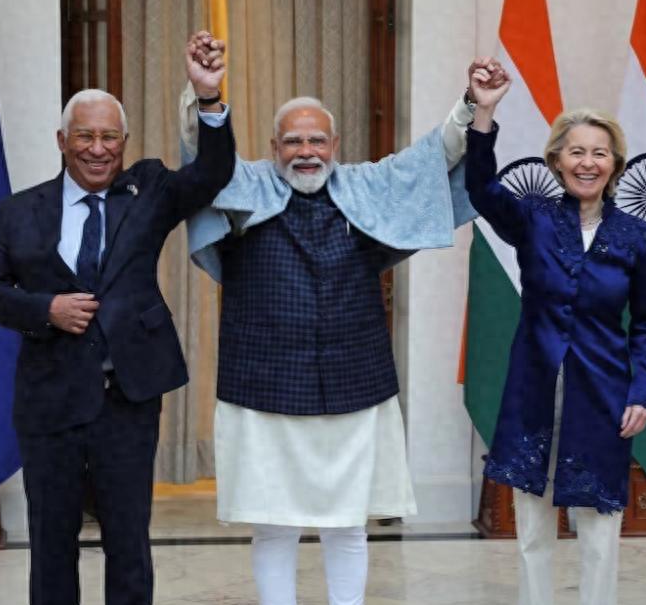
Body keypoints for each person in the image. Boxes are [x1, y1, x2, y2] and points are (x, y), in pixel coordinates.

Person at [181, 60, 505, 605]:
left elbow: (433, 158)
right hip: (261, 386)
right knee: (273, 524)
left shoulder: (366, 185)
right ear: (274, 146)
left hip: (354, 383)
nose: (306, 151)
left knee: (348, 524)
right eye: (293, 141)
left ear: (335, 144)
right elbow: (202, 158)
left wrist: (474, 104)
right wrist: (208, 97)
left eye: (317, 140)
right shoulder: (244, 183)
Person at [0, 32, 235, 605]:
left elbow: (212, 174)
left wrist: (209, 97)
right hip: (49, 402)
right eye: (85, 136)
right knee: (51, 544)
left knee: (128, 543)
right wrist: (46, 309)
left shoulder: (149, 190)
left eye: (109, 136)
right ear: (62, 141)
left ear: (124, 142)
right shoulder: (19, 211)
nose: (97, 149)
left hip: (126, 401)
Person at [465, 64, 646, 605]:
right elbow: (481, 188)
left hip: (604, 394)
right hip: (533, 388)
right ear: (556, 161)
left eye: (599, 153)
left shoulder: (637, 236)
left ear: (615, 164)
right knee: (533, 528)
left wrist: (643, 392)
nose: (587, 163)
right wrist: (484, 111)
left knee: (599, 528)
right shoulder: (533, 219)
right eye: (576, 152)